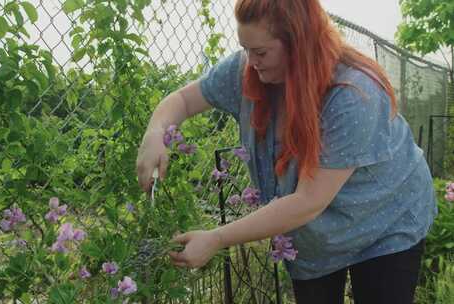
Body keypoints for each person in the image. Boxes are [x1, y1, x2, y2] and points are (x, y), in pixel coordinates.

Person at [135, 1, 437, 303]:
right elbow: (184, 101)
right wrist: (155, 132)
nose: (250, 61)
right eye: (245, 49)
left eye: (261, 52)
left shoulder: (353, 93)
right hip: (314, 237)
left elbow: (308, 201)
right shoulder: (248, 68)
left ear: (298, 42)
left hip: (383, 221)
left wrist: (217, 237)